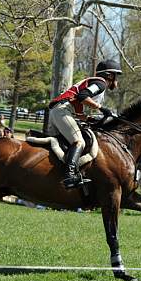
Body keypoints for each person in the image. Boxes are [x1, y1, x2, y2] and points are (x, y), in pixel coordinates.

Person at [47, 59, 121, 189]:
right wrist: (101, 108)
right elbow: (83, 96)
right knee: (79, 142)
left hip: (58, 111)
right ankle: (69, 175)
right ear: (110, 75)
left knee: (60, 146)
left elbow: (80, 113)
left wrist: (93, 119)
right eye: (116, 75)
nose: (117, 80)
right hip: (62, 111)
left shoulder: (97, 83)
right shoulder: (101, 83)